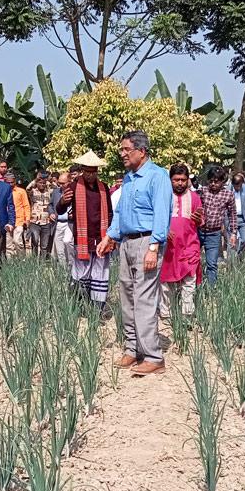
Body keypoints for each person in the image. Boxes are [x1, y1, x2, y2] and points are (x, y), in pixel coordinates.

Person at [96, 130, 172, 376]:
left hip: (147, 241)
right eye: (121, 150)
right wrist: (109, 237)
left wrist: (154, 248)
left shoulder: (157, 176)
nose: (122, 154)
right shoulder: (128, 179)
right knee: (127, 297)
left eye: (126, 150)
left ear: (142, 151)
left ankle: (153, 356)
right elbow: (120, 213)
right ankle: (132, 349)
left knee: (144, 299)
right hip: (127, 242)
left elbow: (162, 214)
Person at [56, 152, 114, 314]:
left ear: (97, 171)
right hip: (82, 237)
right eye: (87, 171)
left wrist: (110, 235)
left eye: (93, 171)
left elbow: (109, 213)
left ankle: (97, 308)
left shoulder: (103, 188)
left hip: (100, 236)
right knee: (82, 271)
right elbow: (60, 209)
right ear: (82, 170)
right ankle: (80, 305)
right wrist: (63, 201)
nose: (89, 175)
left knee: (100, 271)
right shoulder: (74, 187)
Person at [160, 164, 203, 320]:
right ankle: (165, 314)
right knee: (165, 283)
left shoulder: (195, 197)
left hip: (189, 245)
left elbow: (200, 220)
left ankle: (187, 314)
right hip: (167, 248)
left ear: (188, 180)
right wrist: (163, 230)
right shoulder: (163, 196)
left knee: (189, 281)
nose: (180, 183)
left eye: (183, 180)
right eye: (176, 179)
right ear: (170, 180)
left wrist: (200, 219)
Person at [199, 166, 236, 284]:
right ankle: (195, 286)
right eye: (211, 181)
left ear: (222, 181)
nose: (214, 184)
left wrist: (233, 233)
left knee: (212, 263)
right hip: (198, 231)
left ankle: (211, 290)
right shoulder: (202, 191)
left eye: (217, 181)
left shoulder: (228, 195)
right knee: (193, 260)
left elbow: (232, 214)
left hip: (214, 233)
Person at [28, 171, 55, 259]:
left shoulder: (49, 192)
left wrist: (50, 180)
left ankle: (42, 262)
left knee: (44, 245)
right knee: (35, 241)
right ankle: (34, 260)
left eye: (44, 183)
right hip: (35, 221)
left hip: (46, 221)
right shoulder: (33, 192)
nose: (42, 185)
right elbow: (27, 188)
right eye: (40, 183)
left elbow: (57, 187)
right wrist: (36, 179)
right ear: (37, 183)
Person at [51, 171, 75, 269]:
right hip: (58, 223)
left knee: (67, 241)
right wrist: (51, 212)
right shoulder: (56, 192)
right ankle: (63, 268)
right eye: (59, 183)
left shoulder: (75, 191)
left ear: (70, 181)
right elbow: (50, 205)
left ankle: (71, 265)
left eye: (63, 183)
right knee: (59, 247)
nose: (60, 185)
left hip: (70, 223)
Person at [5, 172, 29, 257]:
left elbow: (26, 205)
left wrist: (27, 219)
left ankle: (22, 259)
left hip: (19, 220)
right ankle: (10, 263)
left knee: (17, 241)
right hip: (7, 220)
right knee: (8, 244)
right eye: (8, 182)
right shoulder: (3, 192)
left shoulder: (21, 191)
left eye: (12, 182)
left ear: (15, 182)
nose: (10, 184)